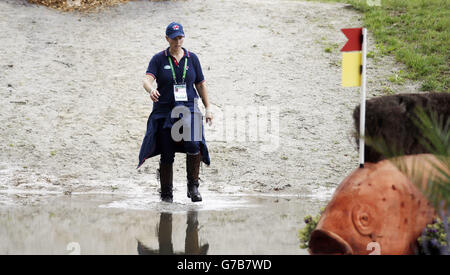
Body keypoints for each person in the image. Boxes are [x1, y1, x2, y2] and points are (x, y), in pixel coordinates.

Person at [138, 22, 213, 203]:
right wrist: (150, 90)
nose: (178, 41)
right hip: (165, 111)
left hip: (189, 109)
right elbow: (147, 79)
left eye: (180, 37)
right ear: (167, 38)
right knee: (166, 151)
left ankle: (193, 186)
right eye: (174, 38)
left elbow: (201, 84)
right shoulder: (158, 59)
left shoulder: (192, 58)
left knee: (194, 145)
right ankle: (166, 193)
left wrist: (208, 108)